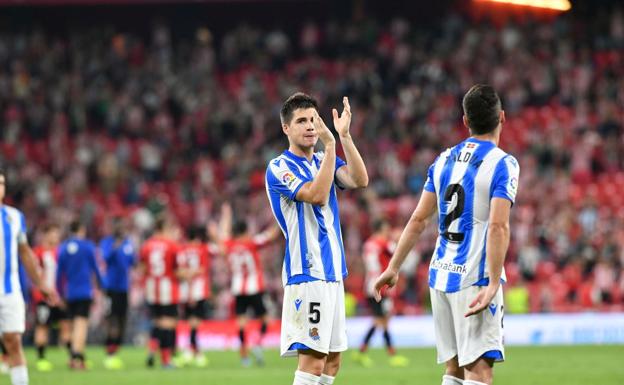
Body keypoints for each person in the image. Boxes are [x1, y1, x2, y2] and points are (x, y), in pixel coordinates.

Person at [375, 84, 520, 385]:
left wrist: (393, 267)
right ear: (502, 118)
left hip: (441, 276)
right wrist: (494, 281)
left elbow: (418, 219)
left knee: (453, 370)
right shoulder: (503, 163)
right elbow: (498, 225)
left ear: (465, 121)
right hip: (474, 278)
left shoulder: (442, 160)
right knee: (479, 371)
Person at [265, 93, 368, 385]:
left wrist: (344, 136)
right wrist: (331, 144)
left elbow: (360, 180)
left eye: (313, 119)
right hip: (307, 273)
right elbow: (317, 195)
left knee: (332, 362)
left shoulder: (324, 160)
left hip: (333, 271)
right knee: (312, 362)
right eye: (301, 121)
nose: (310, 126)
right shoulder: (279, 167)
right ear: (286, 128)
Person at [0, 168, 57, 385]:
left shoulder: (15, 217)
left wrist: (41, 284)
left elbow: (25, 252)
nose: (0, 188)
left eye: (2, 183)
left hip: (9, 290)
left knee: (13, 341)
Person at [214, 203, 280, 367]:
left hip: (238, 289)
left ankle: (244, 354)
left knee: (241, 323)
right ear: (245, 231)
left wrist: (226, 214)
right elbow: (270, 235)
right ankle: (257, 343)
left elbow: (222, 233)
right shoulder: (251, 243)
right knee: (265, 319)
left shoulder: (229, 245)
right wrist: (282, 217)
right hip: (255, 287)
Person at [353, 219, 409, 368]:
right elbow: (398, 250)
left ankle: (371, 352)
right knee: (381, 321)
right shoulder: (383, 243)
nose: (388, 233)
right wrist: (398, 238)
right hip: (380, 287)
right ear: (381, 230)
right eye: (386, 230)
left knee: (382, 321)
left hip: (370, 284)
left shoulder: (369, 244)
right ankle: (366, 352)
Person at [57, 220, 104, 370]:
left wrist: (59, 292)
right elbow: (96, 269)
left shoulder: (63, 248)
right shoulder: (88, 246)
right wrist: (102, 285)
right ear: (81, 230)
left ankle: (73, 357)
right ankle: (77, 357)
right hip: (84, 291)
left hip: (69, 292)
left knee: (70, 326)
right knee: (81, 324)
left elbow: (59, 275)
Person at [138, 217, 182, 369]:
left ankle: (151, 348)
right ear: (164, 228)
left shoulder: (146, 246)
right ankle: (166, 360)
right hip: (167, 288)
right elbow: (177, 270)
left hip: (151, 288)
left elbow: (142, 268)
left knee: (157, 321)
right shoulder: (171, 245)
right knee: (168, 324)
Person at [32, 223, 71, 371]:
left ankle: (72, 357)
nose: (56, 237)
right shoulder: (38, 252)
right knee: (43, 327)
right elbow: (35, 276)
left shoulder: (61, 252)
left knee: (66, 326)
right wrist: (42, 292)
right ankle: (41, 359)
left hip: (60, 297)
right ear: (46, 235)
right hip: (43, 298)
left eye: (57, 234)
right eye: (53, 234)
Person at [99, 217, 136, 370]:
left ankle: (116, 350)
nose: (120, 229)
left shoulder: (128, 243)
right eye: (118, 226)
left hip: (124, 288)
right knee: (112, 319)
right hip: (111, 288)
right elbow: (105, 258)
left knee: (122, 320)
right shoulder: (107, 242)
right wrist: (116, 247)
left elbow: (133, 261)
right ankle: (109, 352)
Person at [176, 225, 214, 367]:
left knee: (192, 323)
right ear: (197, 237)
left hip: (185, 292)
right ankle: (192, 352)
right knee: (194, 323)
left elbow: (180, 270)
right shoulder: (202, 249)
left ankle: (193, 352)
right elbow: (202, 269)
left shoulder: (182, 249)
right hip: (198, 292)